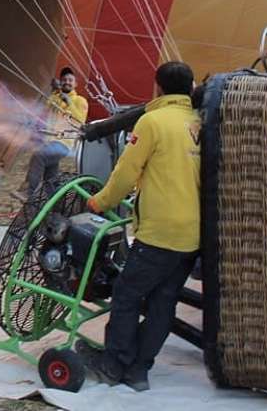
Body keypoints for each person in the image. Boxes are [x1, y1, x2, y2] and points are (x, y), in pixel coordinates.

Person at [79, 61, 201, 392]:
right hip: (191, 235)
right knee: (164, 301)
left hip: (159, 232)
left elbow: (125, 174)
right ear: (190, 89)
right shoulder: (198, 123)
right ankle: (139, 370)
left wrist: (99, 202)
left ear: (157, 88)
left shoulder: (151, 122)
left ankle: (113, 363)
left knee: (127, 294)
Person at [25, 67, 89, 198]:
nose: (67, 82)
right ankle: (55, 209)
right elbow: (44, 114)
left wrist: (69, 102)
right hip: (49, 141)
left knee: (39, 157)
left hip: (64, 143)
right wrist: (55, 93)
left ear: (75, 84)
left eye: (70, 80)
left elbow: (80, 120)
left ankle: (28, 192)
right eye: (64, 80)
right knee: (51, 178)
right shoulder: (55, 98)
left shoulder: (80, 101)